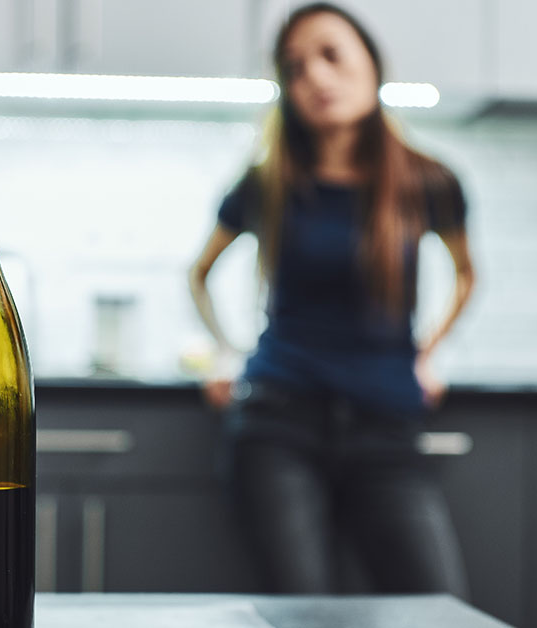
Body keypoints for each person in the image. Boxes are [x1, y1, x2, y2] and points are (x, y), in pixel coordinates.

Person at [188, 2, 475, 596]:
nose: (315, 77)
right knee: (304, 614)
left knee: (436, 608)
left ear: (371, 63)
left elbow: (467, 274)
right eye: (294, 68)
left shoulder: (428, 182)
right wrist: (225, 354)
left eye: (330, 55)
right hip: (278, 425)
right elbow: (199, 274)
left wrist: (429, 353)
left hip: (386, 427)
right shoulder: (263, 183)